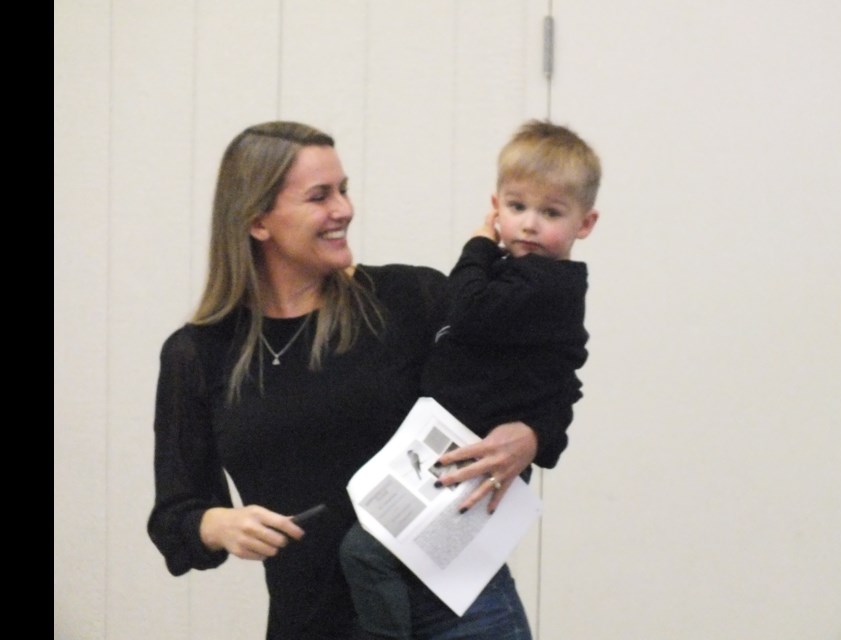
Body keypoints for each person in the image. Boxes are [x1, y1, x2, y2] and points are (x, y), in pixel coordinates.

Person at [147, 121, 570, 639]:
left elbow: (536, 370)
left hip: (458, 615)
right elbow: (174, 517)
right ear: (258, 222)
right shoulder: (199, 353)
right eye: (319, 196)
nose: (343, 209)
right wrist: (217, 525)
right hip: (312, 622)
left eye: (343, 190)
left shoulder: (410, 298)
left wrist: (529, 436)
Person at [339, 120, 601, 640]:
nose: (529, 224)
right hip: (454, 451)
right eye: (518, 206)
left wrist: (478, 244)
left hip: (472, 458)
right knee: (380, 555)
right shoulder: (523, 278)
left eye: (551, 213)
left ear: (584, 223)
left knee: (363, 553)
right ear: (497, 203)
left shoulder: (546, 284)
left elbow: (467, 308)